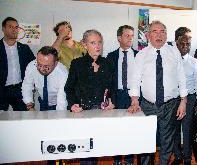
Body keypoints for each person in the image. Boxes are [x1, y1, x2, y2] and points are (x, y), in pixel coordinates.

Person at [127, 20, 188, 165]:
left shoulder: (174, 52)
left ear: (166, 35)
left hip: (170, 105)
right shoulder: (141, 55)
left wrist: (183, 102)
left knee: (167, 142)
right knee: (146, 141)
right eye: (155, 31)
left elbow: (181, 78)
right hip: (148, 106)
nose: (159, 35)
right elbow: (134, 80)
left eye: (163, 32)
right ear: (148, 35)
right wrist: (134, 101)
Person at [65, 29, 115, 165]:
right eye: (93, 43)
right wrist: (72, 104)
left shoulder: (108, 63)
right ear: (85, 45)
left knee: (99, 148)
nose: (98, 46)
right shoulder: (77, 64)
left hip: (103, 112)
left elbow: (113, 88)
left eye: (100, 42)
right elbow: (68, 88)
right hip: (83, 112)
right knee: (86, 152)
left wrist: (112, 101)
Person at [106, 25, 138, 165]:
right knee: (116, 130)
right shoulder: (110, 56)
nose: (130, 38)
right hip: (117, 96)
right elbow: (107, 80)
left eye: (132, 35)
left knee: (131, 130)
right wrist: (109, 99)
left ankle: (130, 160)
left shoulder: (139, 55)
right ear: (119, 38)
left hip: (134, 97)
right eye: (127, 35)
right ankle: (117, 160)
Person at [172, 34, 197, 165]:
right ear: (177, 45)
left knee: (187, 129)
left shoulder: (195, 63)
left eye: (188, 44)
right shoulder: (171, 61)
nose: (185, 47)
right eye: (182, 44)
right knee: (175, 129)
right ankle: (177, 156)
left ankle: (187, 159)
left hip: (189, 100)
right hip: (174, 99)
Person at [0, 17, 35, 111]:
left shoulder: (24, 48)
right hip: (2, 90)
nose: (14, 30)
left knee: (24, 118)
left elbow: (33, 67)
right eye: (10, 27)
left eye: (16, 27)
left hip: (20, 89)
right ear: (3, 29)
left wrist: (33, 84)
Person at [22, 46, 68, 111]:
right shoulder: (31, 66)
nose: (41, 69)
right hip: (42, 102)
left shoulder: (63, 73)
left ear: (55, 63)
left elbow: (62, 101)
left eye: (46, 66)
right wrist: (30, 106)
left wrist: (59, 117)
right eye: (39, 64)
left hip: (57, 103)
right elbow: (27, 85)